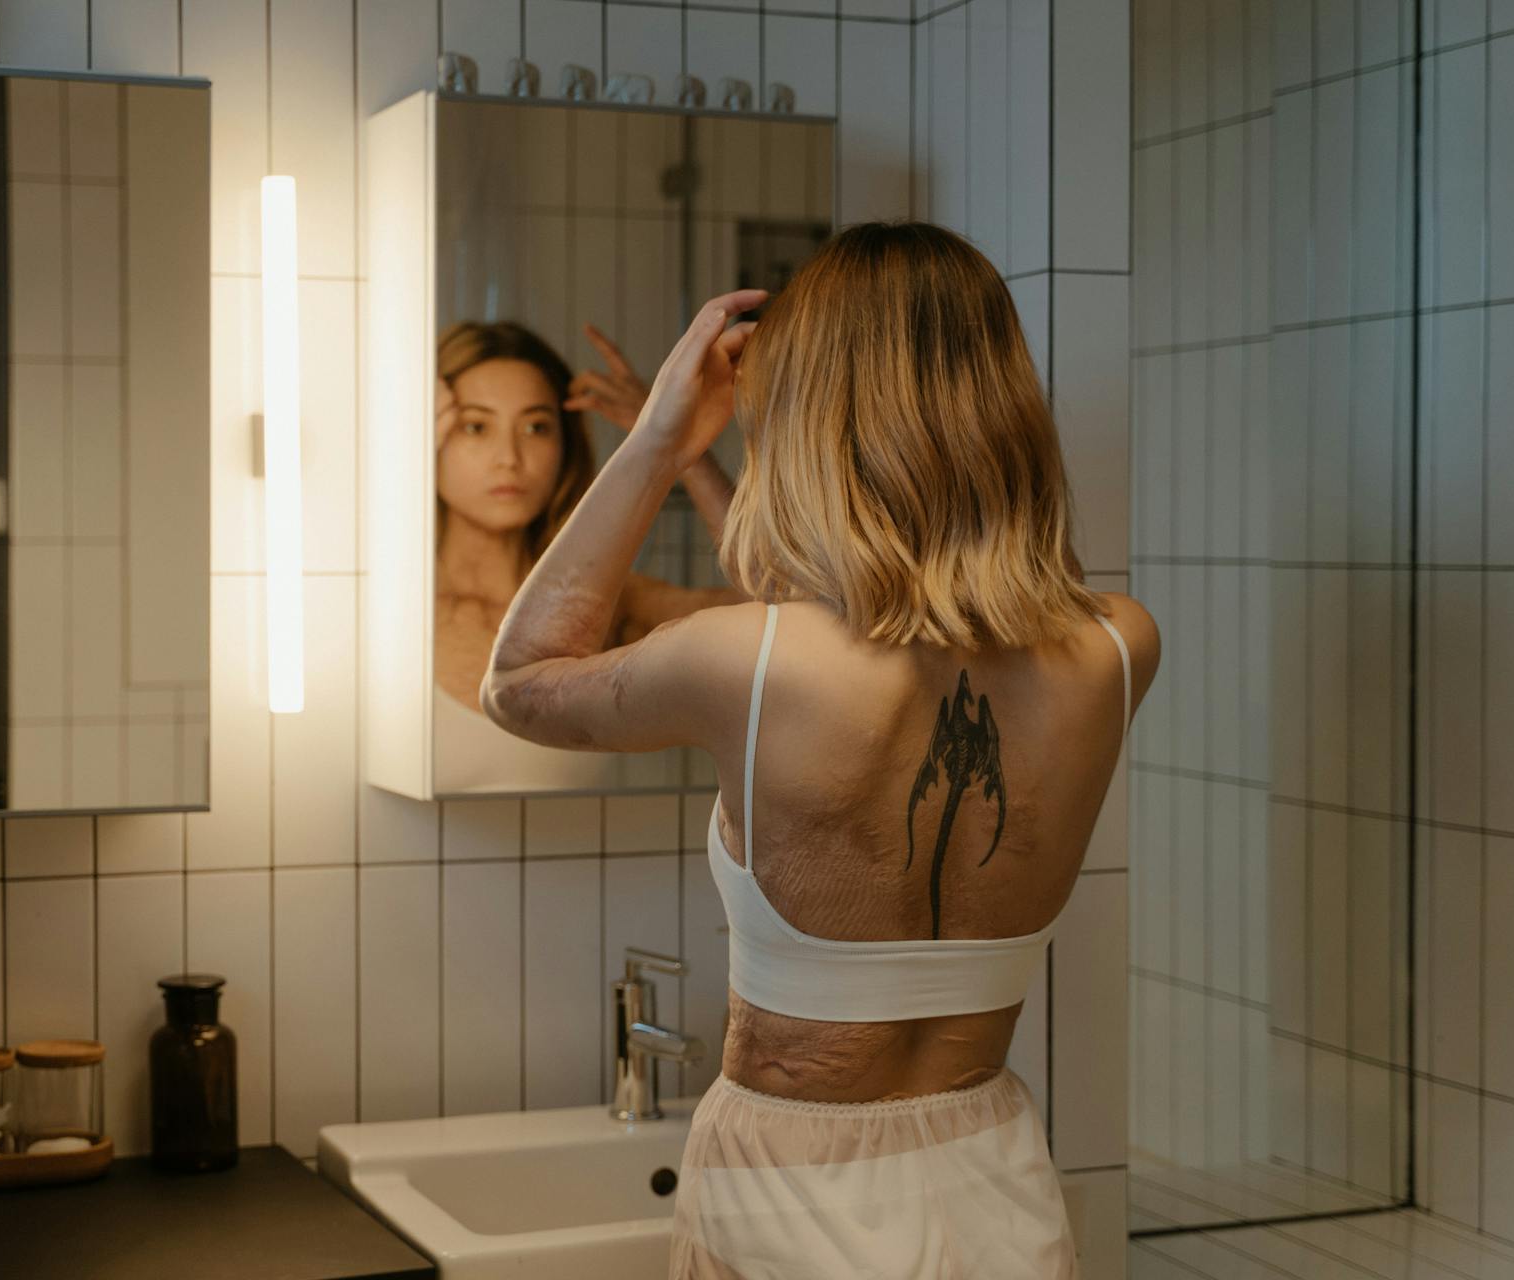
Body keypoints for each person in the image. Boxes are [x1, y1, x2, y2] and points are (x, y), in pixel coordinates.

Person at [480, 221, 1159, 1278]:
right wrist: (702, 459)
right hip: (998, 1173)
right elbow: (863, 621)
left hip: (783, 1186)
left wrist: (659, 441)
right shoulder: (1119, 644)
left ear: (808, 416)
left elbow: (518, 682)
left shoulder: (755, 664)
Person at [431, 320, 740, 791]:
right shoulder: (382, 610)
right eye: (476, 426)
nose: (509, 457)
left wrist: (681, 445)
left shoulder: (613, 604)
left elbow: (786, 609)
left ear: (565, 444)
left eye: (536, 427)